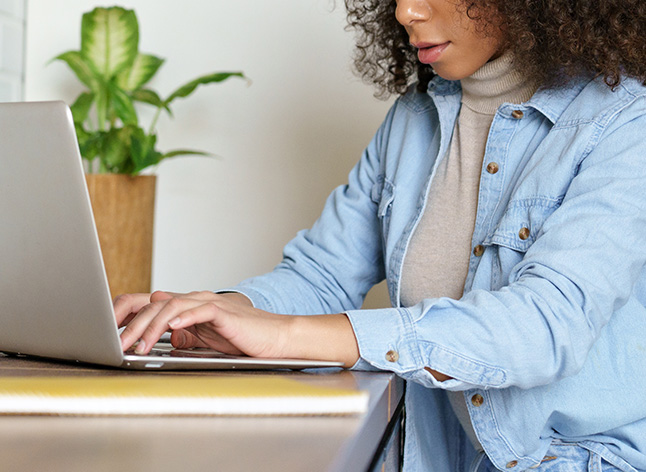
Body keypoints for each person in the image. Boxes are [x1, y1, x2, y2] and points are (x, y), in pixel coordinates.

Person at [114, 0, 646, 470]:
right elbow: (321, 274)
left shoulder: (628, 122)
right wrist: (218, 311)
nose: (404, 11)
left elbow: (544, 327)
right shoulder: (413, 121)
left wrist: (287, 334)